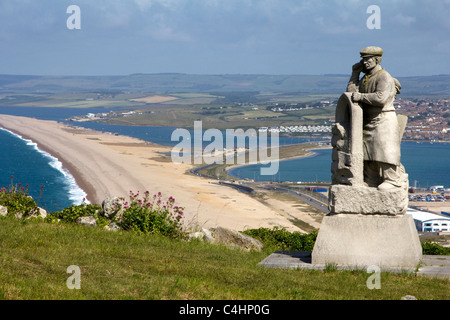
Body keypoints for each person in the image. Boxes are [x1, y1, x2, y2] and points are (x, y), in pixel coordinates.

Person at [346, 46, 403, 191]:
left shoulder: (384, 76)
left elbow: (381, 98)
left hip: (383, 119)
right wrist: (355, 73)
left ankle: (392, 179)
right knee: (368, 152)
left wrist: (361, 97)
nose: (365, 62)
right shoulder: (365, 78)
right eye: (363, 60)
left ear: (377, 60)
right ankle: (372, 179)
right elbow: (351, 93)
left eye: (368, 59)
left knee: (385, 150)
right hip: (369, 120)